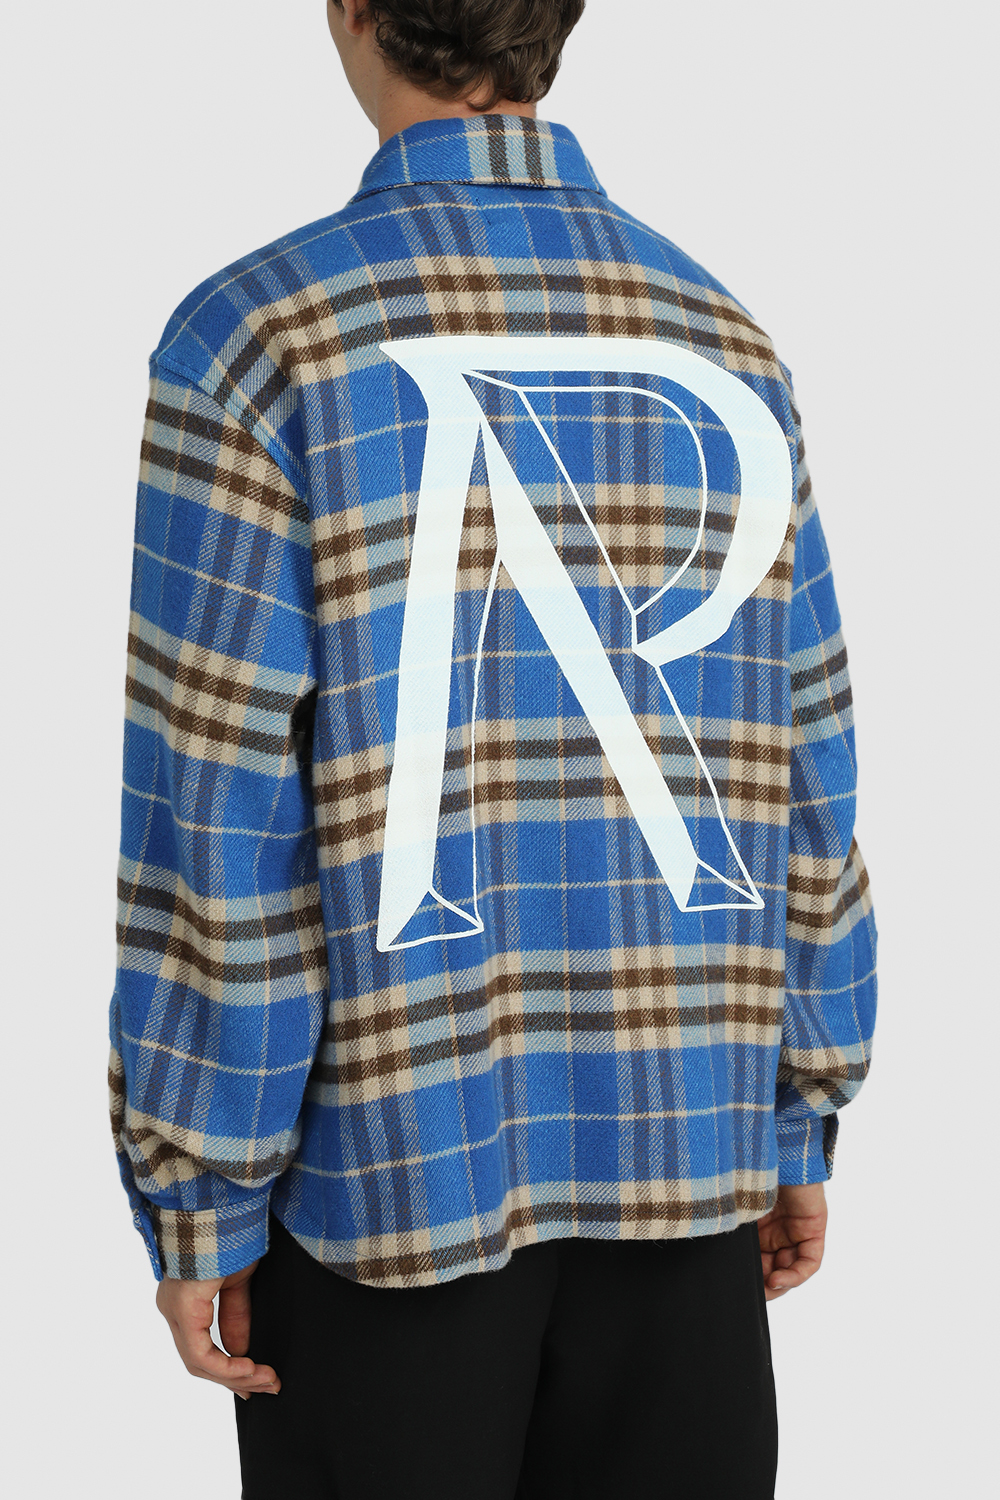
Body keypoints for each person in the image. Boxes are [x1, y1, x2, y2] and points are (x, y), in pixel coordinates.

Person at [107, 2, 878, 1496]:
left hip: (388, 1192)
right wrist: (800, 1114)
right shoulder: (724, 334)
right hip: (691, 1169)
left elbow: (216, 821)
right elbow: (811, 773)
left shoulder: (260, 340)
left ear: (353, 7)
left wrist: (201, 1195)